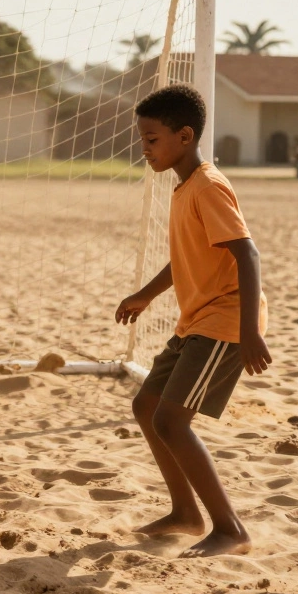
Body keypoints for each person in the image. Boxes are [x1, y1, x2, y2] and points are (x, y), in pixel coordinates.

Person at [116, 84, 271, 558]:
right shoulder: (185, 187)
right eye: (142, 140)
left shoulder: (208, 184)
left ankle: (230, 529)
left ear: (184, 136)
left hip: (225, 321)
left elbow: (248, 252)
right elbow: (186, 258)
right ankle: (186, 512)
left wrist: (248, 332)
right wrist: (145, 294)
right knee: (147, 407)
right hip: (195, 320)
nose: (145, 149)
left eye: (152, 139)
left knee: (172, 420)